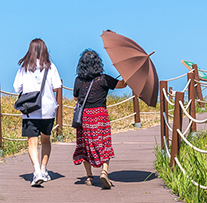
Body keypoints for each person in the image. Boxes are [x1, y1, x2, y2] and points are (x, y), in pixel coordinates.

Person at [72, 49, 125, 189]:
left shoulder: (78, 80)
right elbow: (122, 84)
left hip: (85, 116)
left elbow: (76, 98)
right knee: (103, 143)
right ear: (97, 63)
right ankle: (104, 171)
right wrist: (127, 76)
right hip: (100, 115)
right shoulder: (104, 79)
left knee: (85, 145)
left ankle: (89, 176)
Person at [13, 38, 63, 187]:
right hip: (47, 109)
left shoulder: (24, 67)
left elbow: (17, 88)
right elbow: (57, 86)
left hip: (30, 110)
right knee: (46, 140)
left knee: (32, 142)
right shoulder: (50, 66)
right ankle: (43, 169)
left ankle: (36, 172)